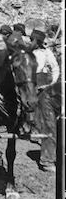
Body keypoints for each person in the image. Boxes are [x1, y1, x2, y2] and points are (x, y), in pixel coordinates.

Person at [30, 29, 60, 172]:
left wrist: (50, 84)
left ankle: (38, 133)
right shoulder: (28, 52)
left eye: (34, 41)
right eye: (31, 40)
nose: (32, 43)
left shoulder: (46, 53)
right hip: (28, 81)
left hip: (41, 82)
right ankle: (33, 131)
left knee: (42, 112)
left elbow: (55, 68)